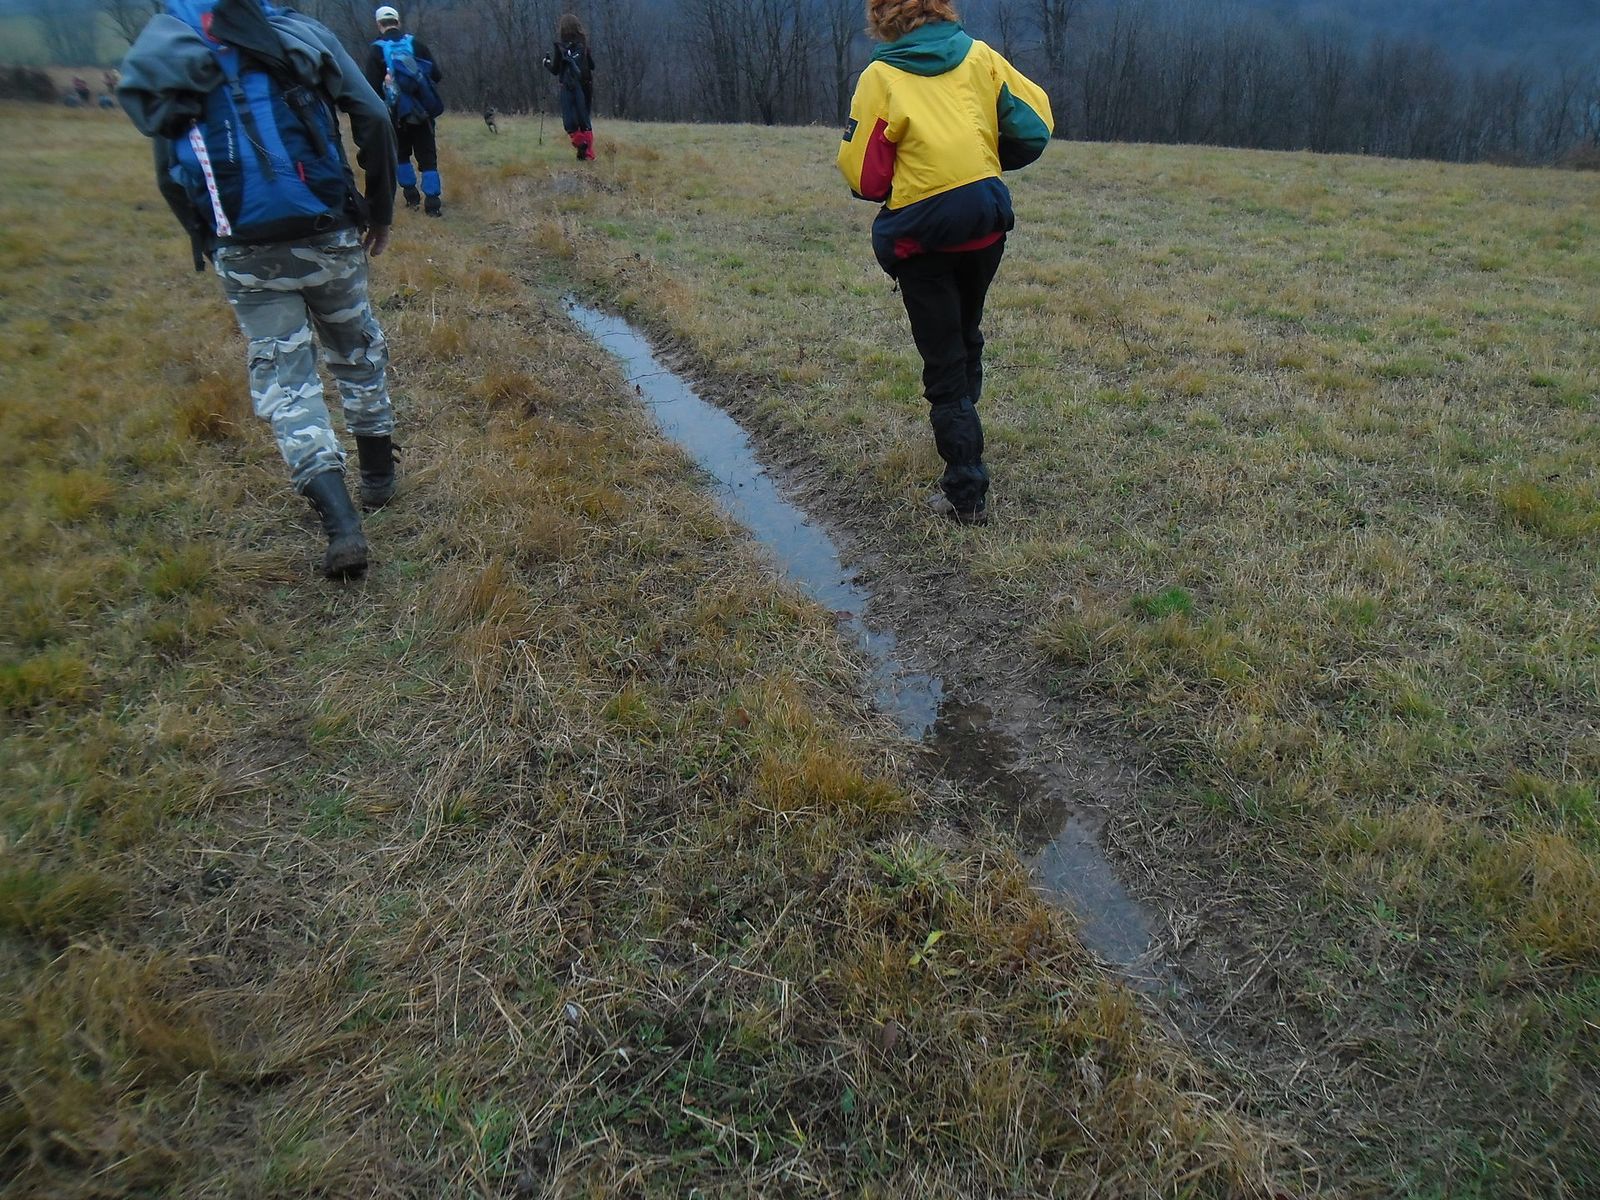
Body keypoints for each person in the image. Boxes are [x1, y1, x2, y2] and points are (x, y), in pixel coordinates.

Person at [118, 0, 400, 580]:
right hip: (327, 229)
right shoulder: (295, 30)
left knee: (286, 379)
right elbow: (373, 115)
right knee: (356, 347)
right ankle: (377, 477)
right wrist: (379, 209)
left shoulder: (169, 46)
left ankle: (342, 524)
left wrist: (205, 237)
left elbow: (168, 171)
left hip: (243, 245)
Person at [837, 0, 1052, 526]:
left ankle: (965, 491)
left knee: (943, 361)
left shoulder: (880, 77)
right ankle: (964, 422)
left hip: (924, 235)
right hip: (985, 219)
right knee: (965, 330)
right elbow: (1034, 126)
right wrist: (982, 161)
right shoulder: (980, 56)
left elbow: (865, 177)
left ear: (881, 19)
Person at [365, 5, 444, 215]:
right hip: (422, 112)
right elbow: (436, 75)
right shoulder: (416, 44)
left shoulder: (376, 51)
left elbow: (371, 89)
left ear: (379, 24)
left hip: (395, 114)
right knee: (428, 157)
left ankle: (411, 197)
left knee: (401, 155)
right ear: (398, 22)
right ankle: (433, 204)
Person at [542, 13, 595, 161]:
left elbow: (555, 70)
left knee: (571, 122)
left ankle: (581, 146)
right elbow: (592, 66)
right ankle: (588, 153)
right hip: (586, 85)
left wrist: (546, 63)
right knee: (585, 121)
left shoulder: (561, 47)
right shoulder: (583, 44)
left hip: (570, 86)